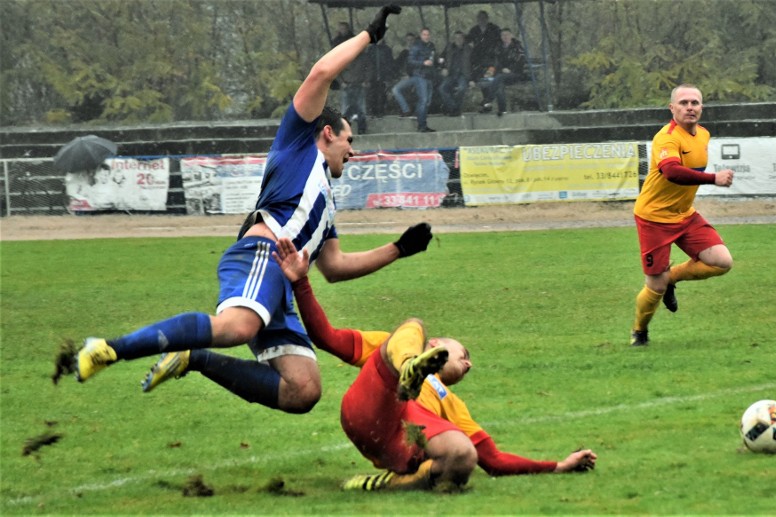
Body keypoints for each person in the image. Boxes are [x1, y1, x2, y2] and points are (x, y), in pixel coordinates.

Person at [70, 5, 436, 418]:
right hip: (260, 258)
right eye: (349, 141)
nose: (353, 152)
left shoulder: (325, 204)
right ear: (327, 133)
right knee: (236, 327)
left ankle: (195, 358)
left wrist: (399, 249)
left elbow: (333, 266)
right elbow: (320, 75)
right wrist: (369, 35)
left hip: (280, 281)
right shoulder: (298, 143)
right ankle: (107, 349)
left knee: (304, 390)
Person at [272, 237, 598, 492]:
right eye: (463, 354)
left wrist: (558, 466)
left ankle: (394, 483)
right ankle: (409, 368)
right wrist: (301, 282)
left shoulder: (451, 403)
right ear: (436, 346)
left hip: (400, 445)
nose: (468, 364)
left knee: (463, 456)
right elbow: (325, 337)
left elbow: (494, 462)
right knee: (412, 323)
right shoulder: (391, 343)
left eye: (468, 362)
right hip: (370, 410)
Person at [630, 83, 735, 347]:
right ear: (672, 108)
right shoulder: (666, 137)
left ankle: (672, 278)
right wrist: (714, 179)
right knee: (654, 286)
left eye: (695, 103)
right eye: (684, 103)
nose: (690, 107)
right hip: (654, 218)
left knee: (722, 261)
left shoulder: (703, 135)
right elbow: (672, 172)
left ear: (701, 108)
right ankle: (639, 332)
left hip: (684, 215)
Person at [391, 27, 437, 133]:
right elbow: (410, 61)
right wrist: (422, 63)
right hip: (420, 76)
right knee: (423, 100)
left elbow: (433, 60)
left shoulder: (431, 46)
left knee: (426, 102)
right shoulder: (416, 46)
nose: (426, 36)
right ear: (421, 35)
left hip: (429, 76)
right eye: (424, 34)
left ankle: (422, 123)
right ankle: (421, 125)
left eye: (428, 34)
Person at [477, 28, 527, 117]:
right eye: (503, 35)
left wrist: (510, 70)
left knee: (499, 78)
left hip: (515, 74)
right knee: (497, 84)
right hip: (501, 75)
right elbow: (495, 63)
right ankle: (502, 110)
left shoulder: (517, 47)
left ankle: (487, 101)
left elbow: (520, 62)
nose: (505, 37)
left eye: (507, 35)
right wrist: (495, 70)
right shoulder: (498, 48)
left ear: (511, 36)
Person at [437, 31, 473, 117]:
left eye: (460, 38)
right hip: (451, 74)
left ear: (463, 39)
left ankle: (454, 109)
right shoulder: (449, 48)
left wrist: (472, 79)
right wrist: (443, 67)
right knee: (442, 89)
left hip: (463, 75)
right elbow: (441, 58)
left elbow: (474, 64)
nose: (458, 40)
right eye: (456, 38)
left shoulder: (469, 49)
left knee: (461, 89)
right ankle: (454, 108)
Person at [466, 10, 501, 83]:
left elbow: (500, 42)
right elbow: (468, 41)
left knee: (490, 77)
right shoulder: (474, 30)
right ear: (477, 19)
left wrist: (494, 50)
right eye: (480, 18)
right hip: (478, 59)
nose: (482, 20)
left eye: (484, 18)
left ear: (487, 19)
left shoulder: (494, 29)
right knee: (478, 78)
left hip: (491, 58)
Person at [364, 39, 395, 118]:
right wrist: (368, 77)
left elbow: (390, 64)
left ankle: (381, 111)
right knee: (372, 94)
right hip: (373, 76)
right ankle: (373, 111)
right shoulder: (370, 49)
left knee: (382, 94)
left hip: (383, 75)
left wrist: (388, 77)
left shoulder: (387, 49)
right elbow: (367, 64)